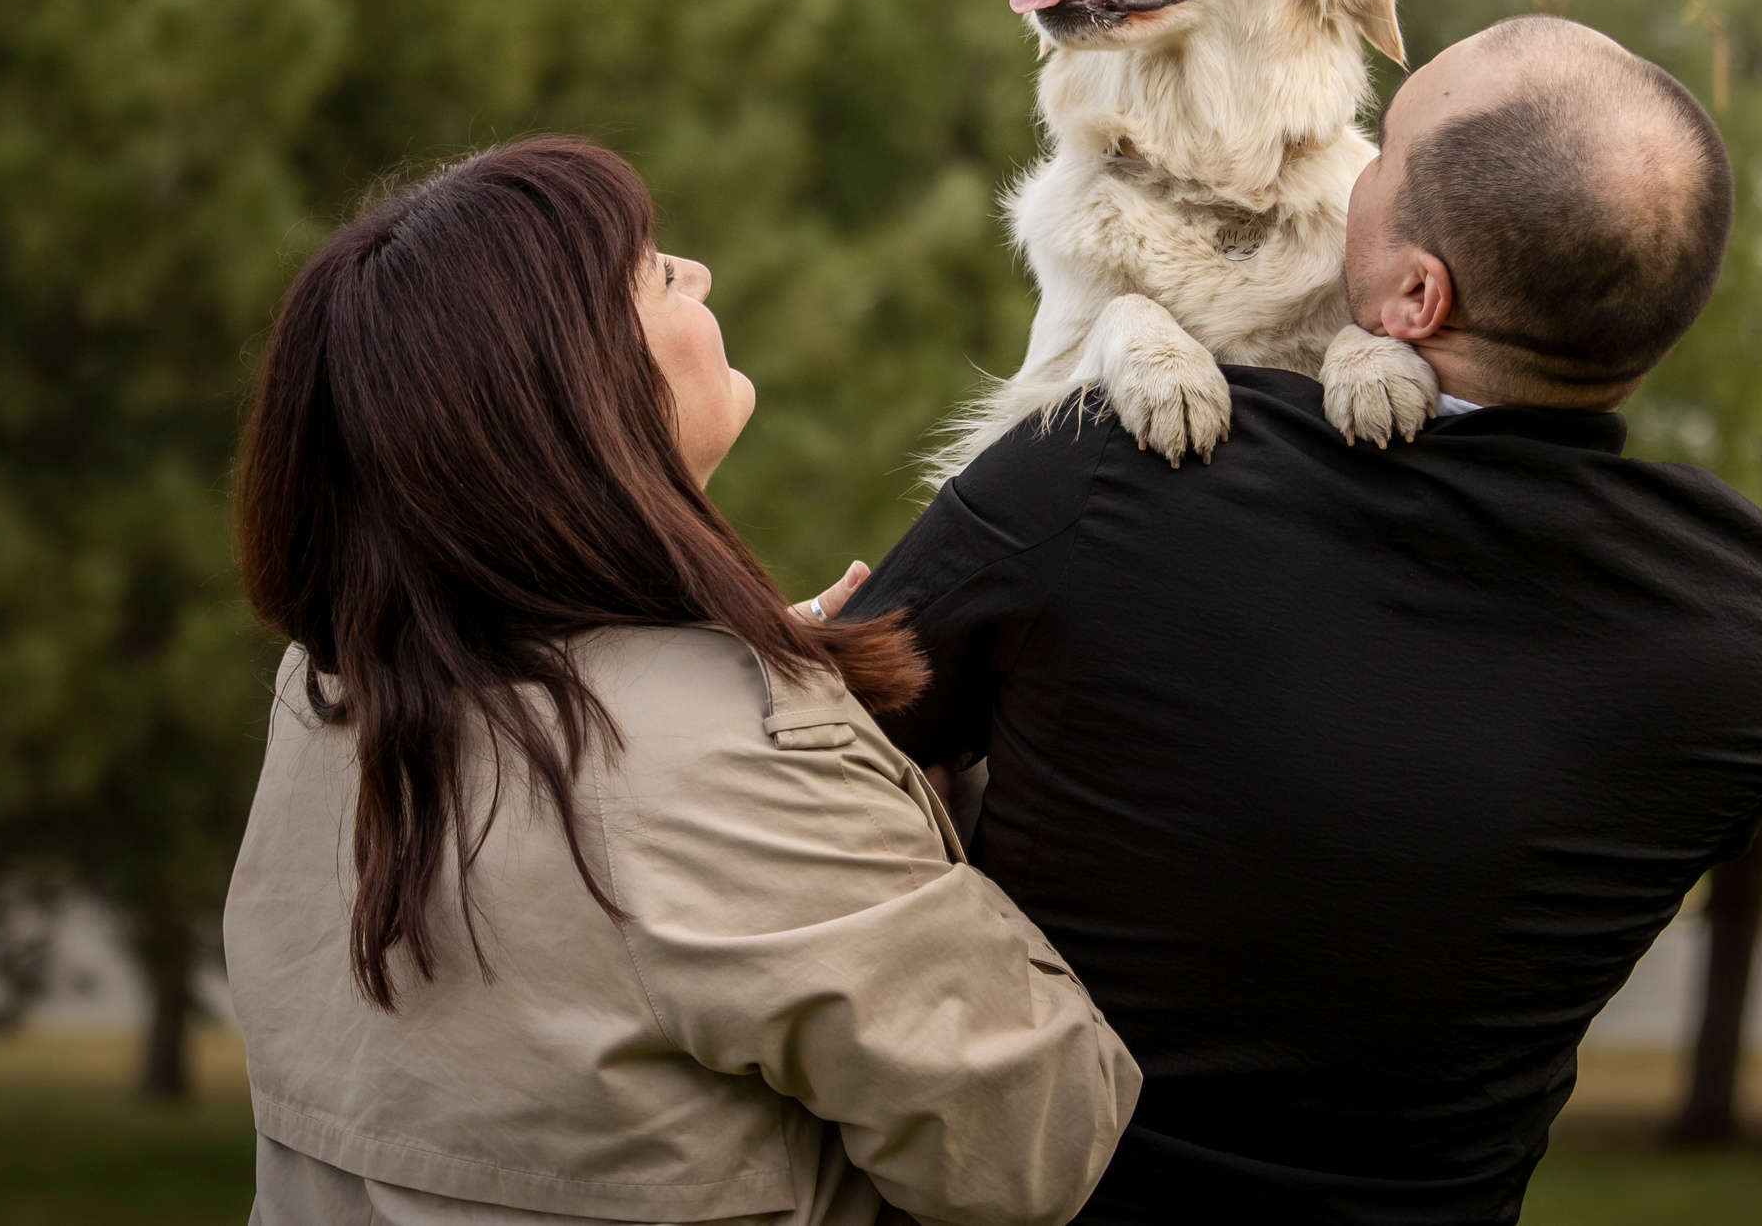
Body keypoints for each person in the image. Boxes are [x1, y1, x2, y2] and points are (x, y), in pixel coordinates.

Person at [849, 16, 1762, 1225]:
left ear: (1416, 296)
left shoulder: (1110, 479)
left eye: (1380, 152)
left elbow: (816, 759)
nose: (1345, 161)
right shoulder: (1751, 626)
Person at [224, 136, 1138, 1226]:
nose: (698, 275)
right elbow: (1037, 1147)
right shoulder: (727, 768)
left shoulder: (327, 693)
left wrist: (735, 685)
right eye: (657, 272)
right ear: (578, 388)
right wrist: (839, 773)